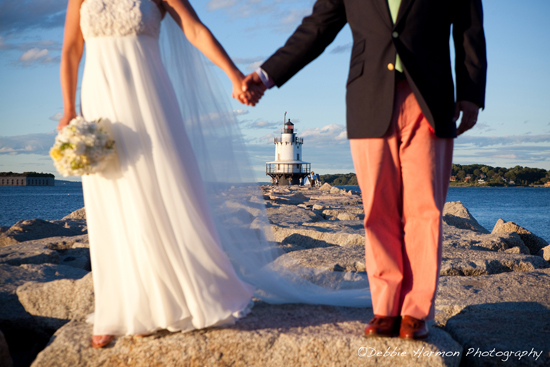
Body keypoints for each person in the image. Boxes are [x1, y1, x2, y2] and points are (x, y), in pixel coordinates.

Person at [242, 0, 487, 340]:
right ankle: (385, 307)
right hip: (369, 97)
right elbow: (317, 27)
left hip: (431, 99)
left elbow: (469, 28)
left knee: (425, 210)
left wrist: (472, 93)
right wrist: (266, 75)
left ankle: (416, 311)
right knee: (378, 210)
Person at [58, 0, 265, 348]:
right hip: (101, 101)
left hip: (149, 101)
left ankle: (175, 299)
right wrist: (68, 109)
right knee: (111, 196)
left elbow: (195, 29)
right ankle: (119, 307)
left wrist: (234, 75)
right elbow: (71, 48)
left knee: (163, 188)